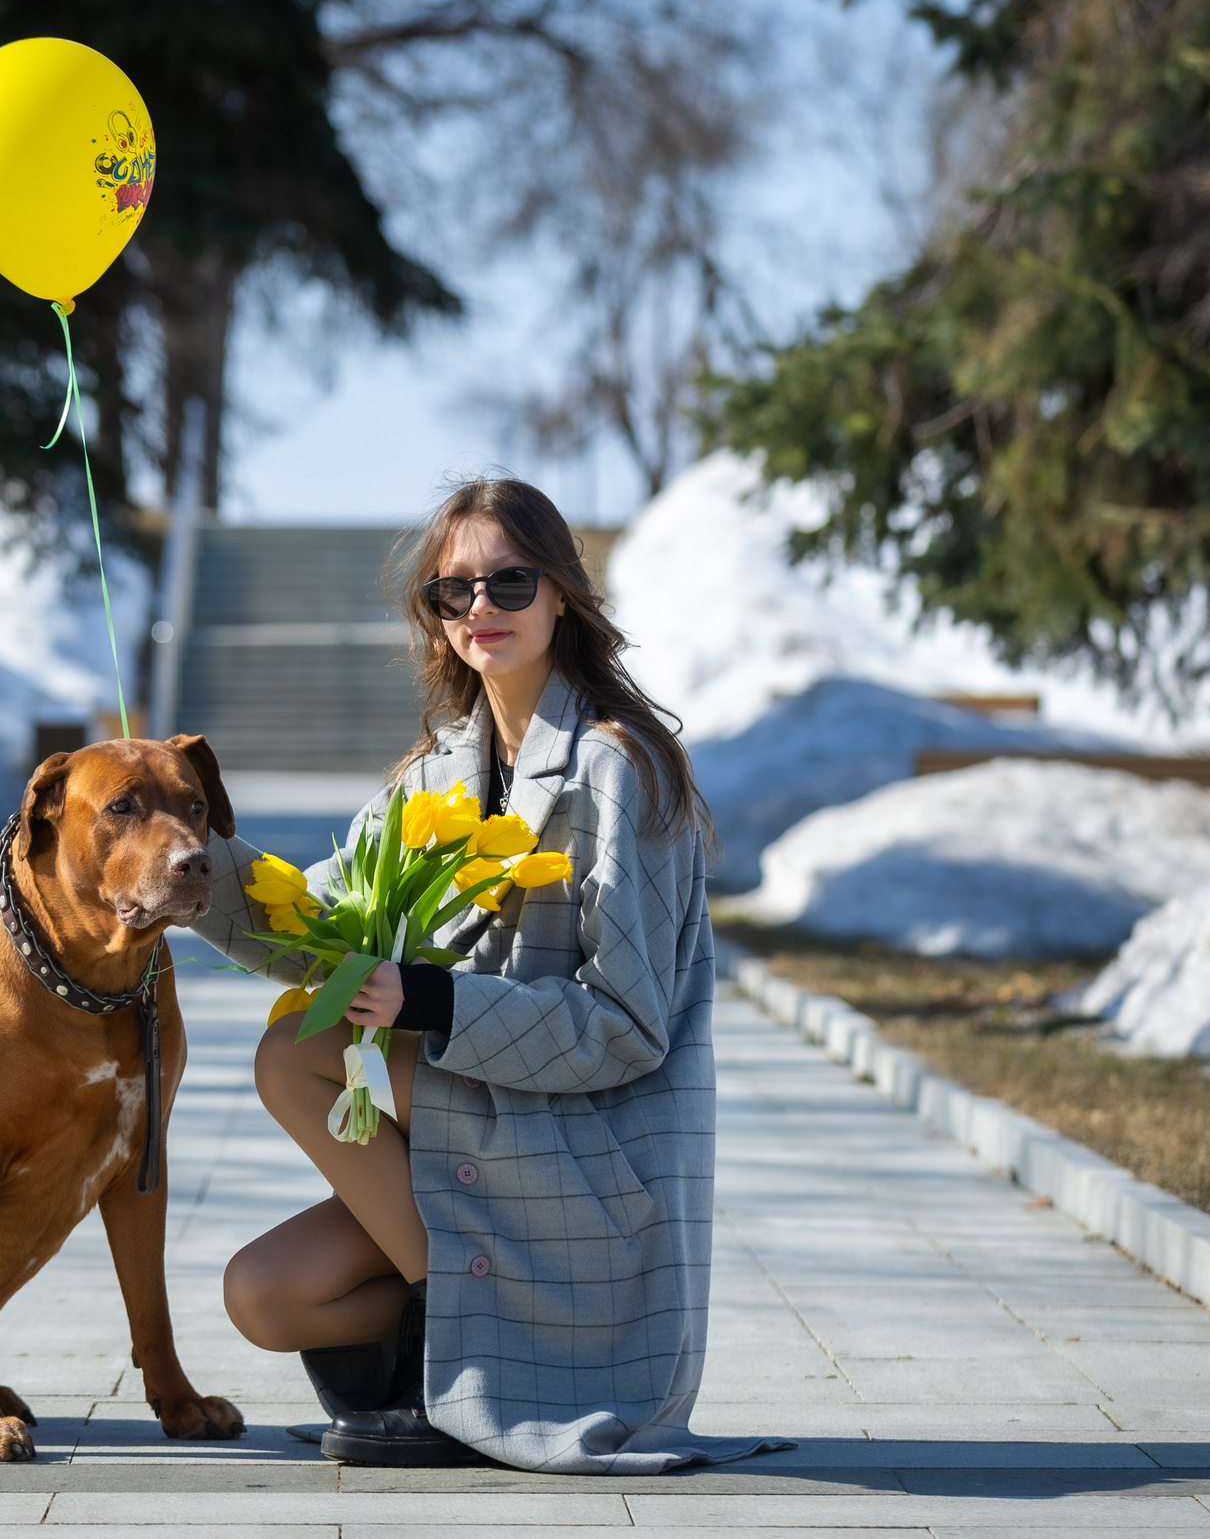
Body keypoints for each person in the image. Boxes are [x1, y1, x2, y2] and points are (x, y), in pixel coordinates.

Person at [191, 476, 781, 1474]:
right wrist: (185, 862)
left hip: (583, 1153)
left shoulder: (616, 767)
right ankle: (457, 1343)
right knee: (264, 1294)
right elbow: (318, 923)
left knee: (296, 1049)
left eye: (509, 583)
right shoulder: (435, 773)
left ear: (561, 595)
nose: (479, 608)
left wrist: (431, 999)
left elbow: (626, 1025)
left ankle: (463, 1370)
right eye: (451, 590)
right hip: (487, 1128)